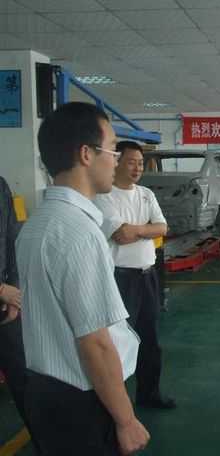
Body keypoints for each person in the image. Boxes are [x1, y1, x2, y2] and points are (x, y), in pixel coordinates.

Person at [16, 102, 149, 455]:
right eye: (113, 149)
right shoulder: (78, 231)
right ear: (87, 154)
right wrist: (126, 420)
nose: (117, 161)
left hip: (45, 392)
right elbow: (96, 343)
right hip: (83, 402)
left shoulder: (37, 223)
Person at [94, 140, 175, 410]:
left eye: (141, 163)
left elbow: (162, 228)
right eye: (131, 162)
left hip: (148, 277)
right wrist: (146, 229)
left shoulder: (146, 194)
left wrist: (137, 230)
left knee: (149, 340)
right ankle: (115, 404)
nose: (138, 168)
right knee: (117, 342)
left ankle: (149, 394)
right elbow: (121, 234)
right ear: (116, 162)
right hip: (120, 279)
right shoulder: (104, 196)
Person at [0, 176, 32, 435]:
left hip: (6, 307)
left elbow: (13, 239)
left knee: (24, 379)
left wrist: (14, 289)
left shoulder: (0, 185)